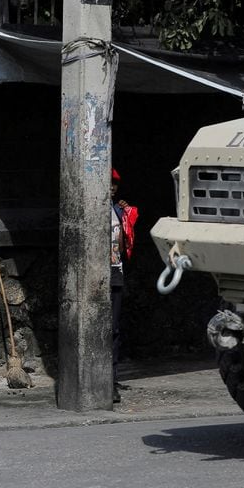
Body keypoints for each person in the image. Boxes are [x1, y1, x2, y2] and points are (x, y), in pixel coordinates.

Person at [110, 168, 139, 404]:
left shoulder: (118, 210)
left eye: (114, 183)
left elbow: (125, 241)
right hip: (98, 272)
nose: (110, 186)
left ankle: (111, 378)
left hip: (115, 270)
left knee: (113, 328)